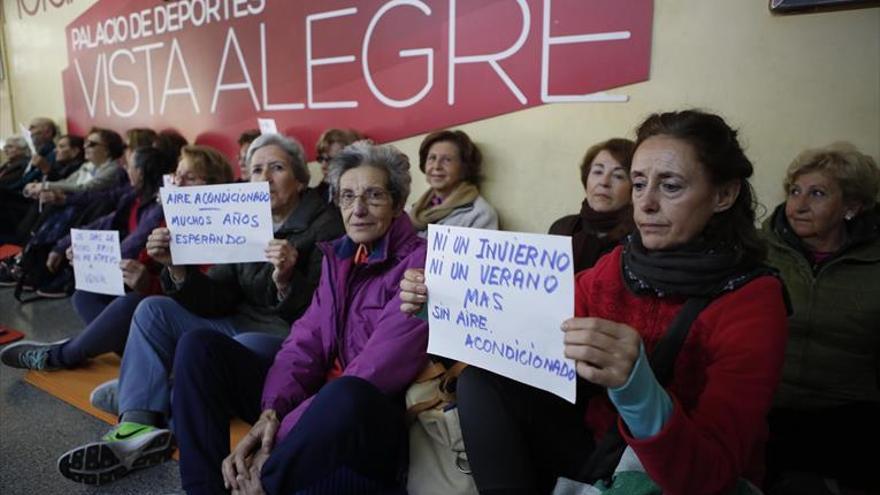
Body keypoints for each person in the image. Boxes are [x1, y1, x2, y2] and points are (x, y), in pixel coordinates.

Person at [400, 110, 789, 494]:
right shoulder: (619, 263)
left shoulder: (753, 299)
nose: (647, 204)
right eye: (639, 184)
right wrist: (445, 304)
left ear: (723, 194)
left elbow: (710, 476)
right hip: (601, 445)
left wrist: (640, 392)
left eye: (670, 186)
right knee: (482, 382)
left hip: (681, 470)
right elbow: (525, 324)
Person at [53, 134, 345, 485]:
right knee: (152, 310)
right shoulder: (245, 217)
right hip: (237, 323)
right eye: (256, 170)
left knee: (221, 349)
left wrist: (285, 280)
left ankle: (157, 395)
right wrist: (176, 267)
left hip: (284, 336)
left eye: (277, 167)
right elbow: (217, 296)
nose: (265, 177)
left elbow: (323, 315)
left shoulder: (328, 225)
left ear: (300, 179)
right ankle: (137, 424)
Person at [170, 141, 428, 494]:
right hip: (313, 411)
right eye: (348, 196)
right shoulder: (341, 258)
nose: (359, 209)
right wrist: (271, 413)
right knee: (200, 347)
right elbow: (303, 344)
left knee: (347, 392)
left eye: (374, 196)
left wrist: (275, 446)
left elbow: (376, 371)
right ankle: (204, 489)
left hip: (368, 424)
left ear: (398, 204)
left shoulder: (420, 264)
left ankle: (266, 483)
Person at [0, 145, 225, 371]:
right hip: (162, 296)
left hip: (193, 314)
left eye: (191, 178)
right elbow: (144, 257)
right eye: (177, 175)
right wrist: (85, 253)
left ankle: (59, 356)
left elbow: (205, 296)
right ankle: (141, 361)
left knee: (134, 303)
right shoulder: (165, 212)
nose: (178, 183)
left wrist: (147, 283)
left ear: (214, 185)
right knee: (85, 296)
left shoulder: (222, 229)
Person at [761, 143, 880, 494]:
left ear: (851, 207)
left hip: (849, 413)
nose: (798, 205)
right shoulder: (757, 251)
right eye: (795, 191)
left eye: (817, 194)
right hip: (770, 406)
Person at [549, 138, 635, 273]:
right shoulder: (561, 229)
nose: (604, 182)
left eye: (618, 176)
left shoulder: (639, 240)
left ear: (635, 189)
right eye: (598, 172)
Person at [408, 129, 498, 236]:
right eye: (432, 158)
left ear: (464, 168)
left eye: (447, 160)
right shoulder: (413, 210)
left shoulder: (480, 215)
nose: (436, 166)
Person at [314, 128, 364, 201]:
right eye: (321, 159)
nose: (323, 166)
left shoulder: (363, 192)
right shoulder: (317, 194)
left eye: (331, 160)